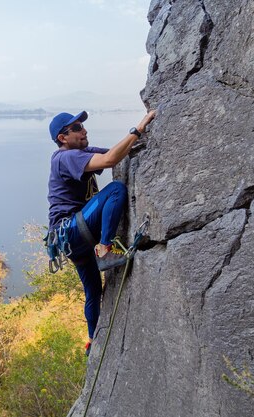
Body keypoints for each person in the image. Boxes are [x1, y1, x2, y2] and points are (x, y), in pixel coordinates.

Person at [47, 109, 156, 354]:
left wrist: (137, 140)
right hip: (72, 230)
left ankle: (92, 341)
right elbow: (109, 162)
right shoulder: (63, 158)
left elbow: (112, 153)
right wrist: (138, 128)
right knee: (116, 189)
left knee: (93, 292)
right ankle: (105, 249)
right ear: (63, 137)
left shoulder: (80, 152)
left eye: (82, 126)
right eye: (76, 128)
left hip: (71, 239)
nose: (84, 130)